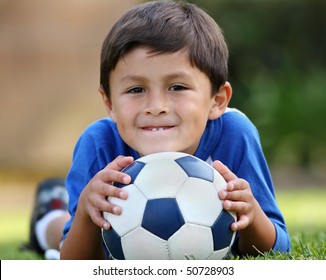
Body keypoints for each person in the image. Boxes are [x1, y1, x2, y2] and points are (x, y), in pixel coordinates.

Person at [25, 0, 290, 259]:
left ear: (217, 100)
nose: (156, 107)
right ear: (110, 103)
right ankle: (48, 214)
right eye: (136, 90)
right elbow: (74, 262)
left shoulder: (234, 134)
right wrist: (85, 211)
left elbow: (277, 247)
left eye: (177, 87)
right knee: (58, 229)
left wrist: (251, 213)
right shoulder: (99, 143)